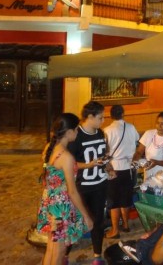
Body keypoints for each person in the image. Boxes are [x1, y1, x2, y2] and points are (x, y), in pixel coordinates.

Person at [37, 113, 94, 265]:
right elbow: (72, 191)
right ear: (69, 132)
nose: (77, 132)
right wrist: (86, 215)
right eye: (76, 130)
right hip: (60, 208)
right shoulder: (66, 156)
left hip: (51, 202)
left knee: (52, 248)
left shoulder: (51, 147)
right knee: (59, 251)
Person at [67, 101, 109, 261]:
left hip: (100, 184)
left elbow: (103, 155)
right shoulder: (76, 135)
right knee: (75, 222)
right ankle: (64, 254)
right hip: (82, 187)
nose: (103, 121)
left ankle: (97, 256)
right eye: (100, 117)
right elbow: (69, 163)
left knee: (98, 221)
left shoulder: (100, 133)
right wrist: (89, 165)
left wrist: (108, 168)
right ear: (90, 117)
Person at [103, 105, 139, 239]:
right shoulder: (131, 127)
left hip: (114, 169)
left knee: (114, 201)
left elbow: (105, 151)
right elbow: (136, 143)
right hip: (128, 168)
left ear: (110, 115)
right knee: (126, 198)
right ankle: (126, 224)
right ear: (123, 113)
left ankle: (115, 230)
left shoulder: (106, 131)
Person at [133, 111, 163, 180]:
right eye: (158, 123)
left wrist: (157, 162)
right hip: (149, 173)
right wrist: (135, 162)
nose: (159, 126)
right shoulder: (148, 134)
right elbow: (139, 152)